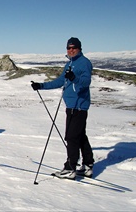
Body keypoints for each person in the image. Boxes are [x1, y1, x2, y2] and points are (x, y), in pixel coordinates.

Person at [31, 37, 95, 179]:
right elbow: (60, 81)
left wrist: (74, 78)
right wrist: (41, 86)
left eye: (74, 47)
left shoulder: (84, 63)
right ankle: (88, 165)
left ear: (79, 48)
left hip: (78, 105)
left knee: (71, 137)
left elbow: (85, 82)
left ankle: (70, 168)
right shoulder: (70, 64)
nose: (71, 50)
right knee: (80, 136)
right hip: (72, 105)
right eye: (69, 48)